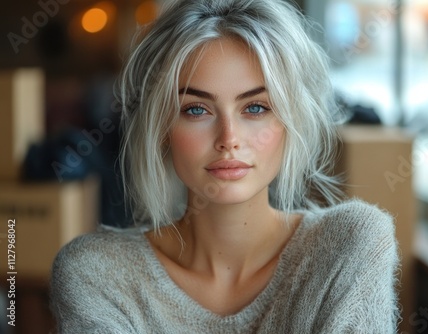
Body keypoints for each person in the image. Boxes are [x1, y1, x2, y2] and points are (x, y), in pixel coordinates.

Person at [50, 0, 400, 333]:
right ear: (161, 129)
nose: (229, 138)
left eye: (256, 107)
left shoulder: (351, 246)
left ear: (291, 121)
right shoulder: (97, 274)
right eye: (197, 110)